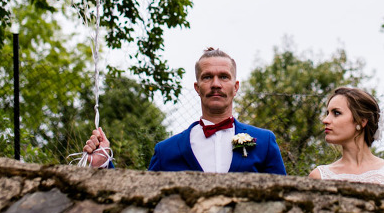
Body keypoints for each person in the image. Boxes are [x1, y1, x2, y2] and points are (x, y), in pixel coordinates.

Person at [83, 47, 287, 174]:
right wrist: (103, 164)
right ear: (197, 88)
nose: (216, 84)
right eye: (207, 77)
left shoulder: (264, 143)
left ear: (236, 87)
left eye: (224, 77)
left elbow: (284, 202)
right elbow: (141, 207)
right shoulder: (166, 151)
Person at [308, 87, 384, 186]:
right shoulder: (318, 177)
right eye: (327, 113)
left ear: (362, 121)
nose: (325, 120)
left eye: (336, 113)